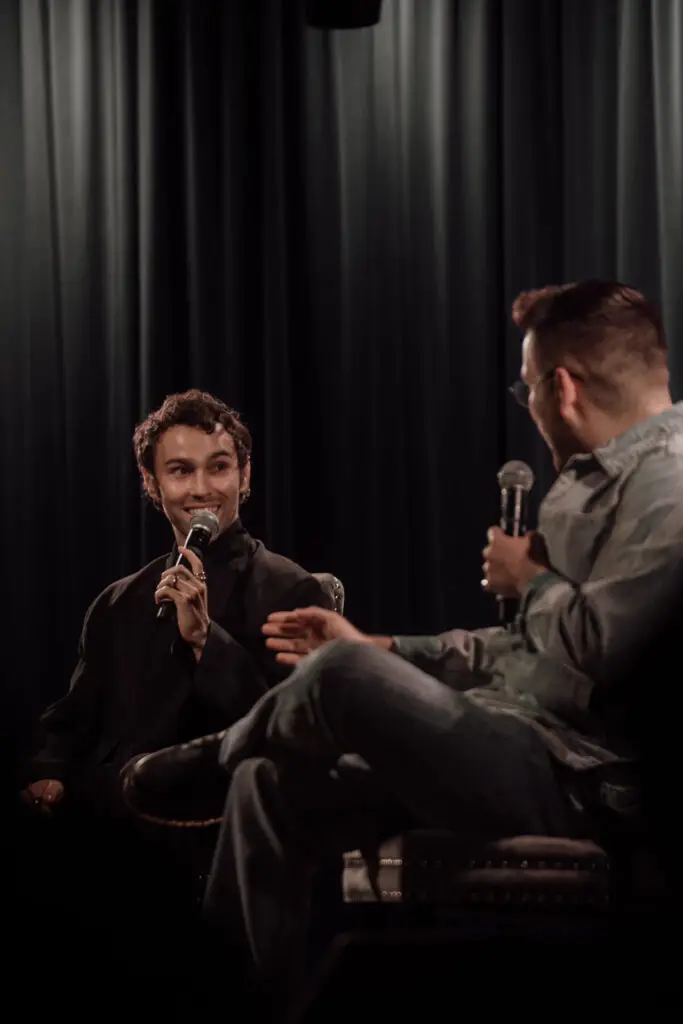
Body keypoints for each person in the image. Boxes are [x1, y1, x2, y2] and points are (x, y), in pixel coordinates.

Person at [123, 283, 683, 1011]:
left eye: (527, 390)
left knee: (338, 674)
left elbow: (611, 656)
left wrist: (533, 581)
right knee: (267, 783)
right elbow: (523, 651)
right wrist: (383, 646)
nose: (531, 408)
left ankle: (221, 751)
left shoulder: (670, 487)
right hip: (510, 741)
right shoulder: (602, 483)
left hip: (578, 782)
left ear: (562, 388)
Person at [19, 389, 333, 970]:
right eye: (181, 471)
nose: (202, 489)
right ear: (152, 483)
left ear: (244, 476)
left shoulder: (291, 590)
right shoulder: (117, 602)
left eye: (219, 467)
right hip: (103, 823)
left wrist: (206, 641)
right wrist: (48, 774)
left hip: (205, 818)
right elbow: (73, 718)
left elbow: (290, 730)